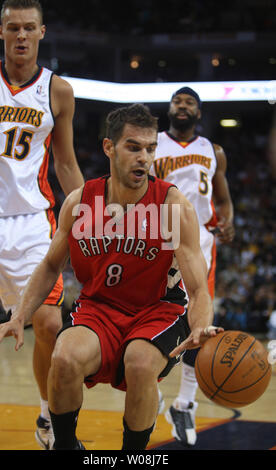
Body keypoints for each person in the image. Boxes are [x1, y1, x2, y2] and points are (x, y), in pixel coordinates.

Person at [0, 103, 223, 450]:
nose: (144, 157)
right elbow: (51, 265)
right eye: (134, 147)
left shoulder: (172, 205)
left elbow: (199, 288)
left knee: (140, 364)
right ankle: (65, 445)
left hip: (158, 311)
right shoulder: (81, 203)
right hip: (99, 309)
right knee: (63, 358)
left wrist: (200, 326)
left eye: (150, 149)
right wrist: (19, 315)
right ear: (109, 147)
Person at [0, 0, 84, 450]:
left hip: (30, 223)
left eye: (29, 28)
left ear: (42, 32)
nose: (21, 36)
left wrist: (91, 216)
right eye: (13, 28)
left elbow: (64, 163)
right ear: (1, 31)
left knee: (48, 325)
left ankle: (46, 415)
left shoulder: (57, 91)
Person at [151, 87, 234, 446]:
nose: (182, 106)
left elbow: (224, 199)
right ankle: (149, 388)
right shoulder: (150, 143)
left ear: (199, 113)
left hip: (199, 239)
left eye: (189, 103)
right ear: (169, 109)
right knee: (147, 314)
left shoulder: (213, 151)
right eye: (177, 101)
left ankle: (185, 403)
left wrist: (227, 222)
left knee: (199, 322)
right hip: (154, 233)